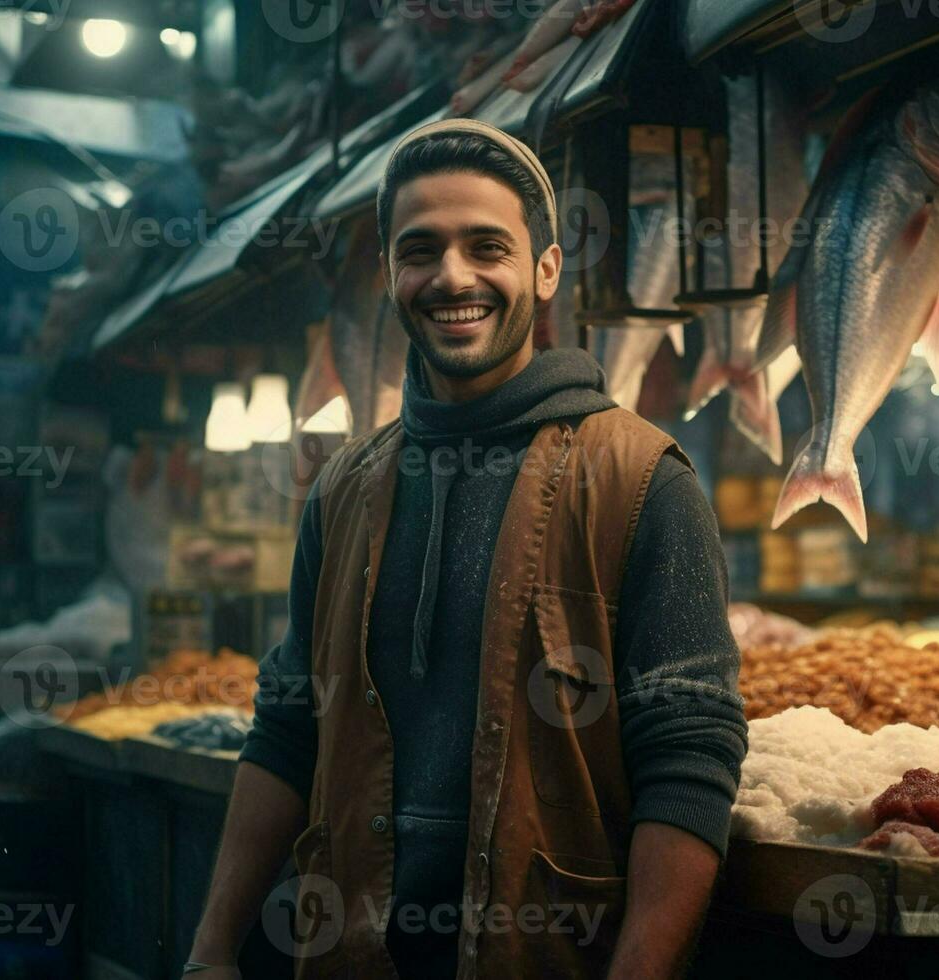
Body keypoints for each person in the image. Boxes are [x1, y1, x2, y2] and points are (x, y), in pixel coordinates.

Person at [185, 119, 747, 979]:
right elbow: (287, 724)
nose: (453, 276)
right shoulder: (341, 492)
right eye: (421, 250)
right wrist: (211, 950)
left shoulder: (641, 480)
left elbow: (690, 756)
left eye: (488, 246)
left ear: (546, 269)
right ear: (389, 274)